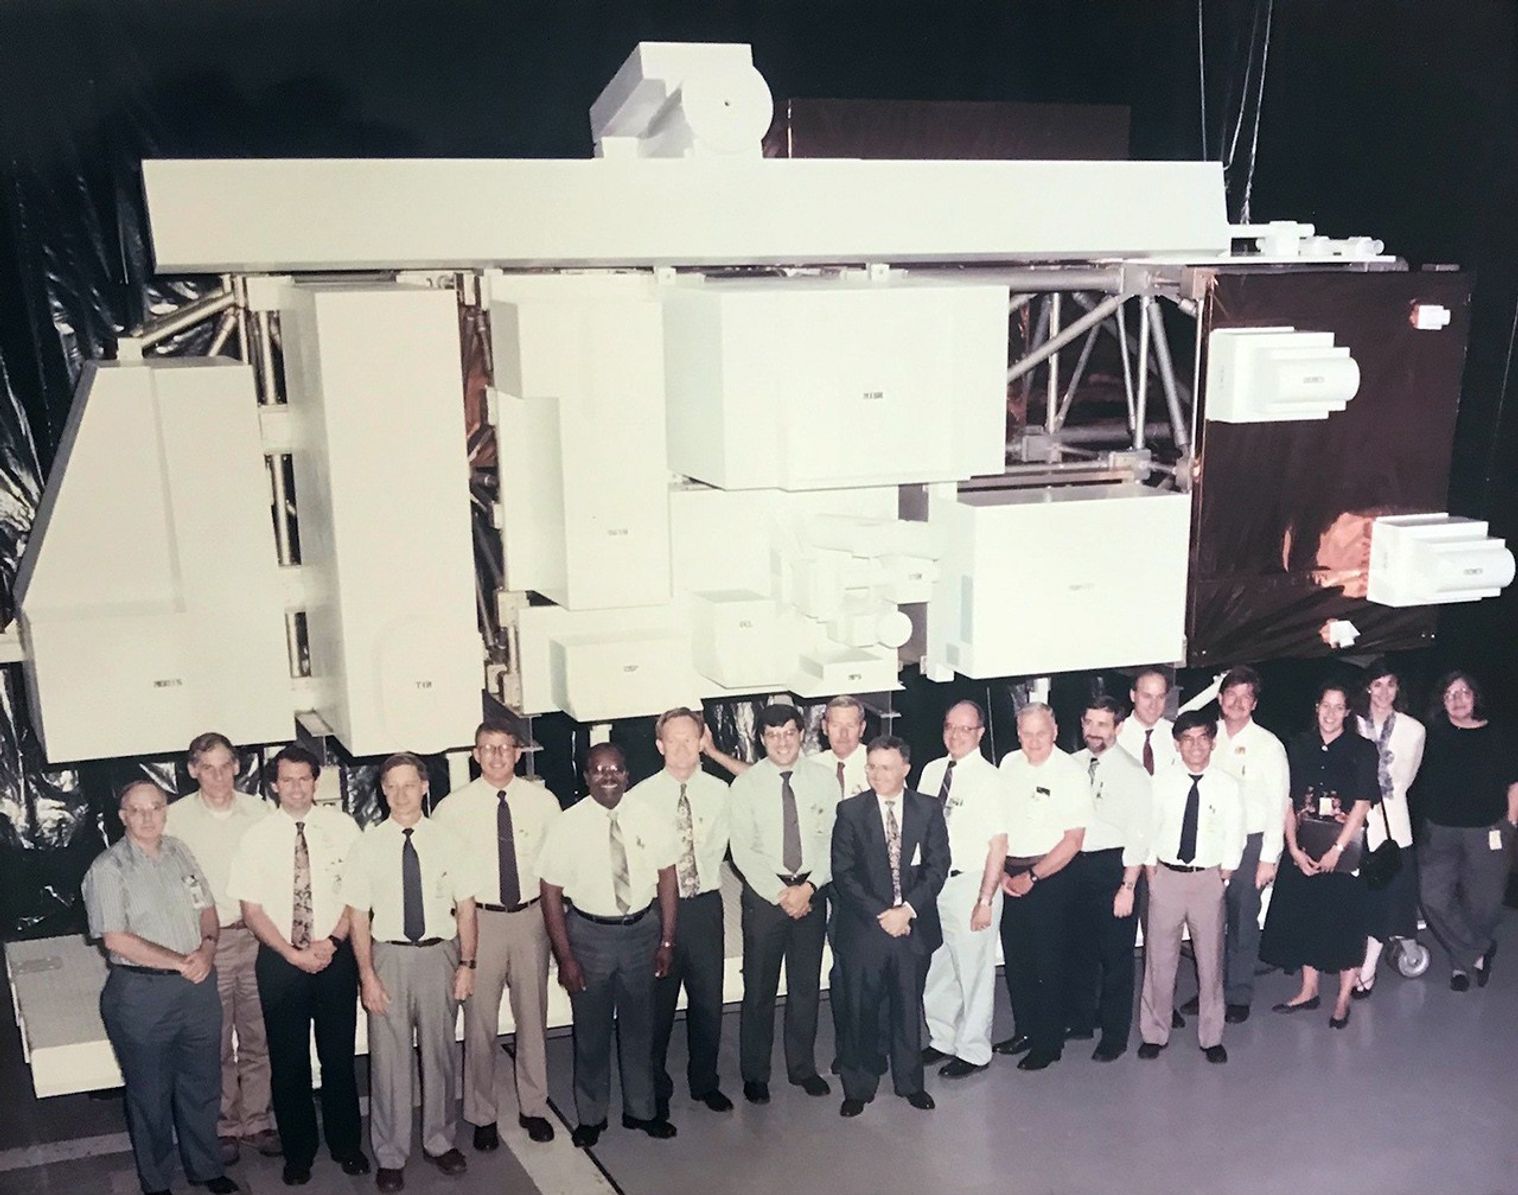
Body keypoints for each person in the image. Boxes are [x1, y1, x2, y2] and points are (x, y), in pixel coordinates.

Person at [84, 780, 240, 1195]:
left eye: (156, 807)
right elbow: (115, 938)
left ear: (166, 810)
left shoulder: (179, 852)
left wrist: (207, 949)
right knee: (149, 1095)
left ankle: (205, 1169)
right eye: (138, 810)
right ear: (123, 817)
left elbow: (207, 909)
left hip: (197, 987)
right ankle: (156, 1182)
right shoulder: (108, 868)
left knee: (203, 1085)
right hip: (141, 994)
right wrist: (180, 962)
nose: (148, 817)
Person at [229, 745, 369, 1187]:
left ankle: (347, 1145)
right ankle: (299, 1152)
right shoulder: (256, 836)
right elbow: (251, 909)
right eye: (286, 780)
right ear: (273, 785)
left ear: (316, 781)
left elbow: (356, 894)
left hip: (334, 955)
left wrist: (332, 941)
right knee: (288, 1063)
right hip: (280, 961)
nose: (295, 788)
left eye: (304, 779)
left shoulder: (343, 828)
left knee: (338, 1059)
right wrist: (291, 954)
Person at [345, 753, 476, 1193]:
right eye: (391, 787)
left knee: (440, 1054)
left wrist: (466, 964)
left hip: (439, 956)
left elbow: (467, 907)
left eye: (408, 785)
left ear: (424, 787)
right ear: (383, 791)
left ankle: (440, 1142)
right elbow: (359, 916)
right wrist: (367, 975)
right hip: (388, 958)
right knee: (389, 1061)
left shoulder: (449, 840)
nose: (400, 795)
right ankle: (390, 1153)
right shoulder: (367, 845)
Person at [539, 743, 679, 1147]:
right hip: (589, 936)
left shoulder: (647, 817)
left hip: (641, 933)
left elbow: (667, 877)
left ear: (627, 774)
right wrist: (565, 956)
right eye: (599, 770)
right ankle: (591, 1115)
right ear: (586, 777)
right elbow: (550, 891)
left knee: (640, 1029)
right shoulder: (568, 825)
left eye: (616, 769)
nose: (608, 777)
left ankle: (642, 1111)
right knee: (592, 1031)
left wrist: (667, 940)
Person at [432, 719, 562, 1149]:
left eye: (505, 748)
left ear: (519, 753)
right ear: (475, 754)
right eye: (487, 749)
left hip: (529, 920)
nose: (496, 756)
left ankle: (533, 1107)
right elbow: (441, 877)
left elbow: (555, 869)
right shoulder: (452, 809)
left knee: (532, 1019)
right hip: (479, 923)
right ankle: (481, 1114)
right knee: (480, 1024)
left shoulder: (544, 803)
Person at [165, 732, 278, 1165]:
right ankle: (224, 1125)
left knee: (258, 1034)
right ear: (193, 770)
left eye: (225, 765)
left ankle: (258, 1120)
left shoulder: (260, 813)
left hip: (257, 937)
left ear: (237, 766)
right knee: (214, 1039)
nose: (217, 776)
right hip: (207, 943)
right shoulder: (173, 820)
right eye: (206, 767)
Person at [831, 736, 950, 1117]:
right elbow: (843, 874)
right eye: (871, 766)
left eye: (886, 767)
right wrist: (883, 914)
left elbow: (937, 866)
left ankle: (910, 1084)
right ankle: (858, 1087)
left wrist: (907, 911)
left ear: (905, 769)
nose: (877, 774)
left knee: (907, 1008)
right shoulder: (850, 812)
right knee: (860, 1010)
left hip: (911, 927)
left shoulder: (928, 809)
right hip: (866, 929)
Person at [728, 703, 839, 1103]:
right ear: (761, 739)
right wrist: (782, 894)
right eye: (773, 735)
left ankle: (802, 1068)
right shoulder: (745, 787)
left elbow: (833, 840)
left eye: (789, 732)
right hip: (765, 900)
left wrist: (808, 888)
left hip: (812, 893)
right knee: (758, 989)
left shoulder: (824, 781)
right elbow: (743, 850)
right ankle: (755, 1074)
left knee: (805, 986)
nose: (782, 742)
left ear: (801, 734)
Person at [625, 708, 733, 1119]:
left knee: (708, 1003)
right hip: (658, 912)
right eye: (674, 740)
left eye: (691, 738)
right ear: (659, 746)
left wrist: (718, 755)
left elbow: (760, 779)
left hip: (705, 906)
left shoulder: (720, 792)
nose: (683, 747)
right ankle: (655, 1086)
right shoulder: (639, 798)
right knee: (657, 1006)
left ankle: (705, 1082)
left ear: (702, 740)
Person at [1260, 681, 1378, 1028]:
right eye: (1325, 705)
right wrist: (1293, 849)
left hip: (1345, 848)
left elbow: (1362, 804)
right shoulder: (1298, 746)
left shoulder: (1362, 749)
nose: (1330, 713)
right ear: (1316, 707)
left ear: (1347, 712)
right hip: (1304, 846)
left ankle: (1343, 997)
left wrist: (1337, 850)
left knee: (1345, 920)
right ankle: (1308, 989)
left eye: (1338, 707)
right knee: (1306, 915)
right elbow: (1287, 799)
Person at [1136, 712, 1244, 1064]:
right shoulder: (1160, 783)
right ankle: (1155, 1031)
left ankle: (1211, 1037)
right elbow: (1147, 827)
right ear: (1177, 744)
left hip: (1207, 879)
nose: (1195, 746)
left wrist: (1223, 875)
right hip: (1166, 877)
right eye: (1188, 739)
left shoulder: (1227, 785)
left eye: (1202, 738)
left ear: (1213, 742)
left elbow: (1235, 831)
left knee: (1210, 958)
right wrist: (1151, 870)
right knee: (1159, 959)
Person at [994, 703, 1091, 1071]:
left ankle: (1049, 1043)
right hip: (1011, 872)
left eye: (1040, 732)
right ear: (1018, 733)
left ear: (1054, 730)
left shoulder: (1070, 772)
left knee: (1049, 963)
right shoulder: (1008, 764)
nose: (1033, 740)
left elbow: (1073, 840)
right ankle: (1026, 1031)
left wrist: (1033, 876)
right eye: (1026, 733)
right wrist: (1002, 873)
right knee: (1018, 961)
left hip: (1052, 875)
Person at [919, 701, 1010, 1078]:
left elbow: (998, 845)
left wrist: (984, 900)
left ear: (980, 733)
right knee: (938, 967)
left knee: (973, 972)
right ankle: (943, 1038)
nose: (956, 735)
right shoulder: (931, 771)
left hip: (971, 883)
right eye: (950, 727)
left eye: (965, 729)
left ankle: (973, 1050)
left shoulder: (991, 780)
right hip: (933, 884)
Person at [1196, 666, 1289, 1024]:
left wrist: (1269, 857)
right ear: (1219, 699)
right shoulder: (1206, 738)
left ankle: (1237, 993)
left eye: (1244, 697)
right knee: (1208, 921)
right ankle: (1209, 991)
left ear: (1253, 703)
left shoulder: (1269, 745)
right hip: (1210, 843)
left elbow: (1279, 803)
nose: (1236, 703)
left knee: (1242, 920)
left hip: (1250, 844)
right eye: (1229, 695)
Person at [1415, 670, 1518, 991]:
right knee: (1432, 897)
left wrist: (1511, 820)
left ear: (1475, 697)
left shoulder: (1498, 733)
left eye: (1464, 693)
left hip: (1487, 830)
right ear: (1441, 702)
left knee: (1484, 904)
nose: (1458, 700)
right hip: (1440, 830)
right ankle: (1478, 950)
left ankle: (1460, 964)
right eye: (1450, 694)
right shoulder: (1431, 733)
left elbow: (1514, 780)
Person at [1067, 696, 1151, 1062]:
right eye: (1089, 723)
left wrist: (1128, 887)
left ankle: (1115, 1035)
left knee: (1116, 957)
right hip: (1075, 864)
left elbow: (1140, 834)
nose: (1094, 732)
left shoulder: (1133, 772)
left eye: (1103, 725)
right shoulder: (1072, 765)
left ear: (1117, 727)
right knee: (1080, 949)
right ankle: (1082, 1019)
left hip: (1114, 867)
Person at [1352, 659, 1426, 997]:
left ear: (1398, 689)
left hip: (1392, 827)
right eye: (1377, 684)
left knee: (1386, 901)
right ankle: (1349, 961)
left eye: (1391, 684)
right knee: (1354, 899)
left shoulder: (1413, 730)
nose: (1384, 692)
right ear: (1368, 686)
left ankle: (1367, 970)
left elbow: (1405, 781)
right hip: (1351, 826)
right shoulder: (1350, 724)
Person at [1117, 667, 1177, 777]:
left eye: (1160, 697)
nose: (1153, 705)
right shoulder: (1116, 736)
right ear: (1133, 695)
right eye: (1147, 696)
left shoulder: (1175, 735)